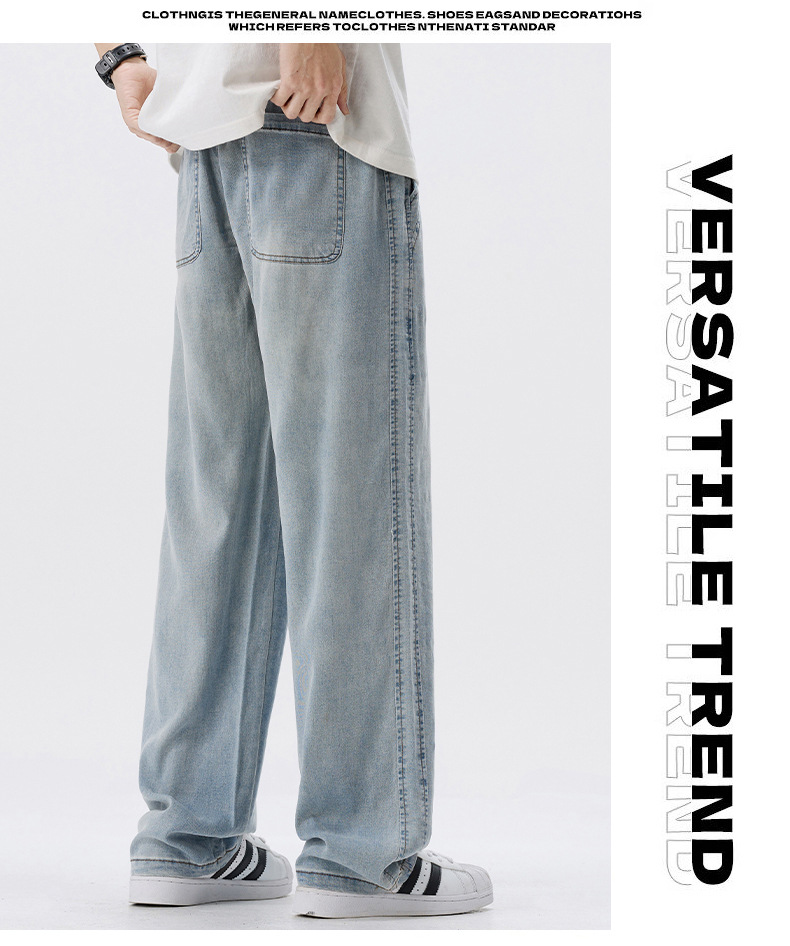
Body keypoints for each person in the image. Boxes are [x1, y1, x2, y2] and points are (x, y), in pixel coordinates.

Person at [94, 41, 493, 919]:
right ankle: (362, 850)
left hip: (204, 144)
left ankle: (185, 838)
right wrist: (311, 26)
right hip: (317, 121)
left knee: (216, 508)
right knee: (351, 496)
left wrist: (120, 58)